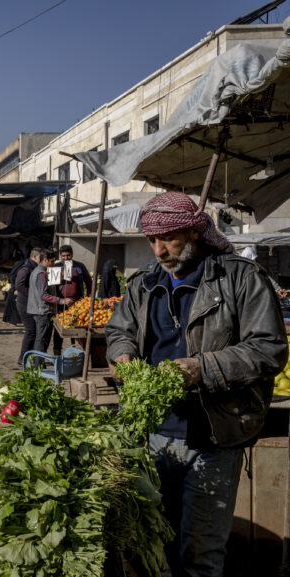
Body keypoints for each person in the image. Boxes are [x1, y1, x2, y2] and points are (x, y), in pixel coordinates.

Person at [105, 191, 287, 577]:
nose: (159, 250)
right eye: (152, 240)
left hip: (214, 437)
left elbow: (269, 348)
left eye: (168, 238)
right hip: (152, 438)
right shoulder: (143, 284)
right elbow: (119, 330)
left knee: (200, 556)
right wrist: (122, 355)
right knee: (155, 548)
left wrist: (203, 368)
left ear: (193, 232)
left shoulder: (240, 277)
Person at [27, 249, 73, 368]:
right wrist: (61, 301)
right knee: (42, 339)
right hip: (43, 311)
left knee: (43, 338)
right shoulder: (41, 274)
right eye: (52, 261)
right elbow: (44, 295)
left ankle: (39, 363)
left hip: (40, 310)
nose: (53, 264)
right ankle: (38, 365)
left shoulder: (39, 271)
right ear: (45, 260)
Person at [14, 248, 41, 366]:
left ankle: (29, 356)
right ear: (34, 256)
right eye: (40, 257)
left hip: (30, 304)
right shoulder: (25, 269)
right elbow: (19, 285)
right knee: (31, 331)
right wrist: (32, 294)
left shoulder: (34, 268)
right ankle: (22, 358)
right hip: (24, 304)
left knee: (33, 331)